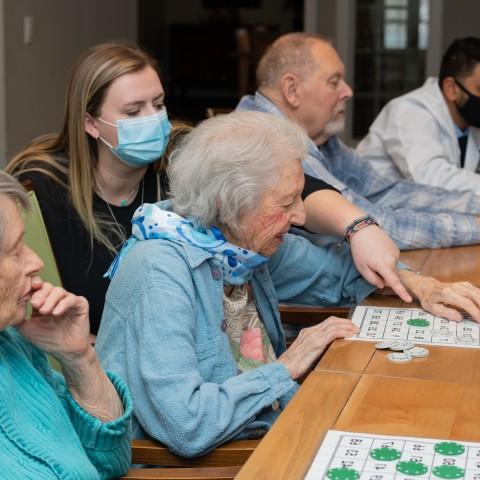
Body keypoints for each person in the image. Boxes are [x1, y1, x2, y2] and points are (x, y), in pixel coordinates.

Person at [96, 112, 480, 458]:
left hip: (270, 427)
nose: (299, 216)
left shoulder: (236, 243)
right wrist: (290, 365)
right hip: (218, 461)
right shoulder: (159, 272)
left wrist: (422, 284)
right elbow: (187, 423)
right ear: (231, 204)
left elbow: (340, 273)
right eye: (285, 203)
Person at [6, 42, 190, 335]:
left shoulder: (180, 171)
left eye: (158, 104)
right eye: (133, 111)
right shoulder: (41, 189)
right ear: (90, 123)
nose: (153, 119)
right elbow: (21, 307)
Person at [236, 33, 480, 250]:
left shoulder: (319, 138)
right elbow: (368, 224)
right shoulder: (270, 141)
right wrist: (472, 226)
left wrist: (474, 204)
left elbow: (386, 192)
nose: (348, 91)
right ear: (291, 90)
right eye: (334, 81)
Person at [0, 170, 132, 478]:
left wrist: (79, 358)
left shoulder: (15, 345)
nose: (36, 262)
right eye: (17, 249)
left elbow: (112, 461)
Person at [357, 37, 480, 193]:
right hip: (370, 209)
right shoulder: (408, 111)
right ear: (451, 89)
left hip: (419, 209)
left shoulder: (470, 124)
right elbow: (431, 179)